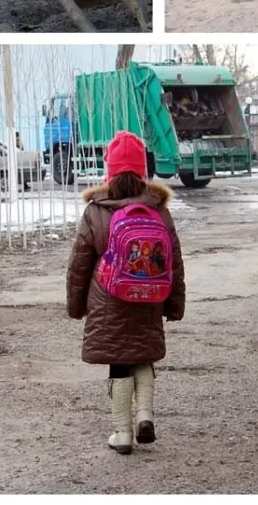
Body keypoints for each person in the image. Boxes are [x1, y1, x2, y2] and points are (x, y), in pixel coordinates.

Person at [67, 131, 186, 455]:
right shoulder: (158, 208)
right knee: (143, 354)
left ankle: (122, 434)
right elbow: (173, 259)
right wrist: (174, 304)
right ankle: (145, 415)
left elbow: (80, 263)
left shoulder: (96, 210)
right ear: (142, 169)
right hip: (150, 297)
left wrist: (76, 305)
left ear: (110, 171)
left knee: (119, 361)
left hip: (109, 299)